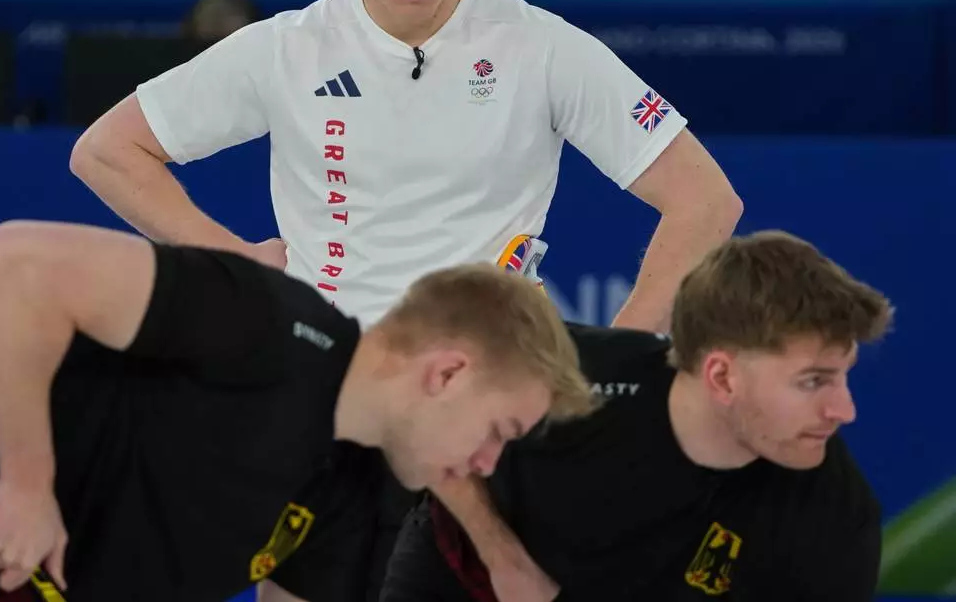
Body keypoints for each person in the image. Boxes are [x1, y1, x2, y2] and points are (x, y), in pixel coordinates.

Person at [69, 0, 743, 596]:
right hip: (321, 393)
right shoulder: (287, 48)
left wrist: (618, 357)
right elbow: (107, 151)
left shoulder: (541, 46)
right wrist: (234, 261)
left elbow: (704, 198)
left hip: (483, 410)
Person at [0, 219, 595, 602]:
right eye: (498, 434)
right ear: (446, 374)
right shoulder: (270, 326)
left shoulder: (355, 495)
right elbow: (16, 263)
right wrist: (28, 482)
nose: (486, 467)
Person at [379, 230, 893, 602]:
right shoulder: (574, 380)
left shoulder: (837, 516)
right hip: (473, 577)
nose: (843, 410)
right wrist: (503, 558)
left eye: (843, 376)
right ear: (721, 377)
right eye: (813, 382)